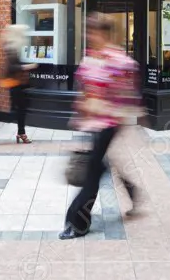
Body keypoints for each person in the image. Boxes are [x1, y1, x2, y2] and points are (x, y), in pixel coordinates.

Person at [60, 13, 144, 239]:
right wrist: (81, 109)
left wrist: (113, 108)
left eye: (93, 31)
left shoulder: (118, 60)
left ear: (104, 33)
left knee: (92, 174)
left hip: (108, 124)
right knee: (100, 166)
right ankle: (132, 190)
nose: (89, 35)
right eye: (88, 31)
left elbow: (128, 94)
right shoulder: (90, 58)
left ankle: (77, 221)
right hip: (92, 123)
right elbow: (84, 89)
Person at [1, 24, 37, 144]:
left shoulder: (12, 47)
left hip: (18, 84)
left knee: (21, 109)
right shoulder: (11, 47)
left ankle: (21, 132)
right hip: (15, 84)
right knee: (21, 109)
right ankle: (21, 133)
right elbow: (12, 67)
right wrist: (28, 66)